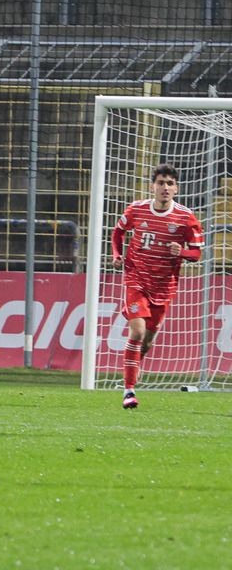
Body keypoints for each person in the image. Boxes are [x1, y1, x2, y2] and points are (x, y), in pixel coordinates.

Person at [111, 164, 203, 410]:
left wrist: (181, 252)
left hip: (164, 287)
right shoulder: (137, 209)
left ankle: (134, 366)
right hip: (136, 278)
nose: (165, 187)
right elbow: (117, 232)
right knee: (137, 333)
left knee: (147, 343)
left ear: (176, 189)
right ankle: (129, 391)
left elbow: (197, 253)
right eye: (161, 182)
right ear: (152, 186)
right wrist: (117, 255)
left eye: (170, 183)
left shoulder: (185, 217)